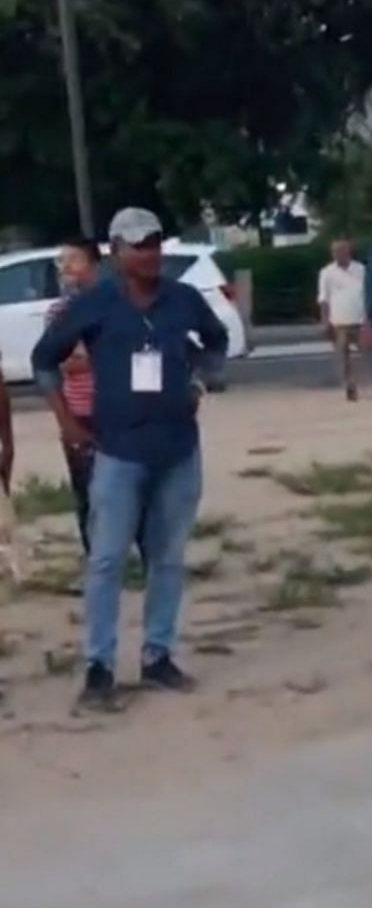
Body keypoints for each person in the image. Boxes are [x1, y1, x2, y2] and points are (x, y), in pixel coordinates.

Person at [33, 208, 228, 710]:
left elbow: (217, 339)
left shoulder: (182, 300)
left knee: (167, 558)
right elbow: (44, 358)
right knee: (106, 560)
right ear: (117, 252)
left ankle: (158, 654)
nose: (149, 252)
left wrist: (199, 380)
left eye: (156, 241)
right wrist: (66, 421)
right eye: (138, 244)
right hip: (118, 452)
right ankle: (99, 665)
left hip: (178, 450)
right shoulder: (94, 304)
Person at [48, 238, 101, 550]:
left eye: (73, 259)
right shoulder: (58, 312)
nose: (65, 267)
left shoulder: (113, 305)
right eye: (60, 261)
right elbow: (62, 362)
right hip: (76, 412)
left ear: (94, 266)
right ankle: (95, 558)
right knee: (84, 492)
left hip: (116, 410)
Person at [317, 239, 372, 401]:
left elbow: (368, 294)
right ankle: (349, 385)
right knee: (343, 356)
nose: (338, 255)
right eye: (335, 252)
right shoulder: (327, 273)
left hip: (361, 319)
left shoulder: (361, 269)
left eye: (342, 251)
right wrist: (325, 322)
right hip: (339, 320)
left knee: (369, 353)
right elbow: (323, 299)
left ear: (349, 252)